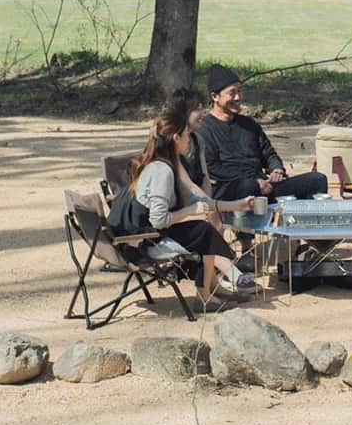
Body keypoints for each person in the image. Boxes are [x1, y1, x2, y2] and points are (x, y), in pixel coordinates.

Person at [123, 105, 256, 305]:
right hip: (146, 239)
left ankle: (213, 289)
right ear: (176, 138)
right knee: (205, 233)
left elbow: (200, 201)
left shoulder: (169, 163)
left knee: (203, 229)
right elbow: (158, 220)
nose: (189, 139)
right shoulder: (162, 170)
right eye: (186, 135)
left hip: (151, 231)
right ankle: (205, 297)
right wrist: (189, 211)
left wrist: (237, 205)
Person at [195, 64, 329, 202]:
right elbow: (213, 168)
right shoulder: (204, 129)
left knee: (317, 180)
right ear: (215, 96)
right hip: (233, 189)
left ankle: (304, 220)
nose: (237, 97)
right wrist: (254, 180)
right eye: (232, 93)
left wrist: (277, 169)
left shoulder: (249, 124)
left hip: (265, 187)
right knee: (249, 186)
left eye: (239, 91)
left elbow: (269, 154)